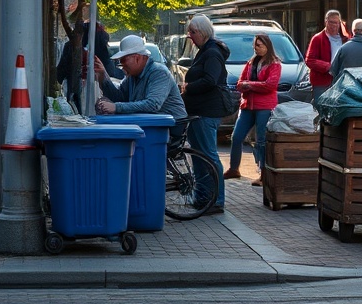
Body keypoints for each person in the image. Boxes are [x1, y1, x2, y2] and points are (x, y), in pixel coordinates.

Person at [179, 14, 229, 215]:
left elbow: (210, 80)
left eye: (193, 32)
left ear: (203, 32)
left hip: (207, 111)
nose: (190, 36)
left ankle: (216, 200)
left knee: (208, 155)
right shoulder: (204, 51)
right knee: (199, 156)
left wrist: (189, 87)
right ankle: (203, 198)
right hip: (199, 110)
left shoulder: (212, 53)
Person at [225, 34, 281, 186]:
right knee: (236, 137)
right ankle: (234, 168)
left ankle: (263, 174)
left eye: (260, 46)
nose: (257, 48)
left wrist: (249, 85)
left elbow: (270, 85)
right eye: (255, 46)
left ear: (267, 46)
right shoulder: (251, 62)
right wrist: (250, 84)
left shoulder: (275, 63)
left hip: (265, 106)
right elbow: (238, 84)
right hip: (248, 105)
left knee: (261, 140)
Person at [93, 34, 187, 122]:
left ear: (137, 58)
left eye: (124, 61)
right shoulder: (132, 76)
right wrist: (103, 78)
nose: (122, 66)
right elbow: (119, 97)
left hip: (170, 126)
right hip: (152, 123)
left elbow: (153, 105)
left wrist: (116, 107)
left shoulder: (159, 72)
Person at [56, 20, 121, 113]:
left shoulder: (73, 45)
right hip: (91, 88)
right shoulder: (98, 43)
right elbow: (110, 69)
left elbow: (60, 74)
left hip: (79, 88)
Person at [305, 9, 350, 98]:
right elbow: (309, 60)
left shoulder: (345, 39)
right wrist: (328, 67)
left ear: (339, 23)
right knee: (321, 108)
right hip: (322, 82)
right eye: (331, 22)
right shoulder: (317, 39)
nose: (333, 25)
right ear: (326, 22)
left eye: (336, 23)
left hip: (341, 81)